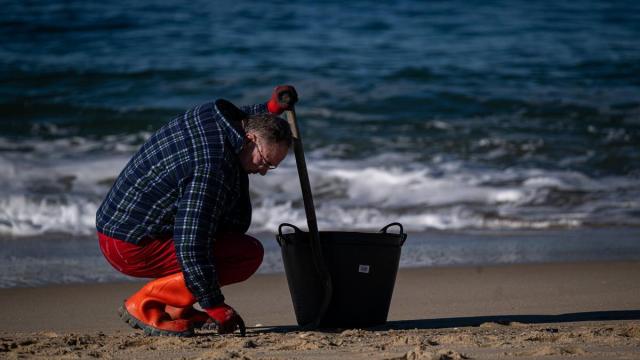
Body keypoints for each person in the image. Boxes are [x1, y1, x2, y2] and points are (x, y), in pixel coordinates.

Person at [95, 85, 297, 337]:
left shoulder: (214, 115)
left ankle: (180, 308)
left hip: (121, 222)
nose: (264, 171)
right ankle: (146, 304)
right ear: (250, 140)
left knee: (223, 229)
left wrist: (270, 109)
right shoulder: (212, 167)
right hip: (130, 245)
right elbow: (191, 243)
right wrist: (214, 304)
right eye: (265, 161)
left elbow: (244, 117)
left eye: (272, 166)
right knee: (246, 255)